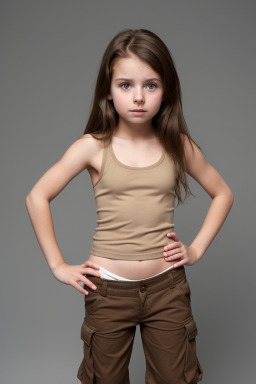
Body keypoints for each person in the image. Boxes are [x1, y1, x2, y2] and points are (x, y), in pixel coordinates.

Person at [25, 28, 234, 384]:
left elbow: (223, 193)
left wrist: (195, 250)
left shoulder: (178, 145)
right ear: (108, 90)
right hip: (106, 291)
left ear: (166, 90)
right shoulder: (92, 146)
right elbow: (37, 196)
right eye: (126, 85)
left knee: (175, 379)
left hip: (168, 289)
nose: (138, 97)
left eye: (150, 85)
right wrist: (58, 265)